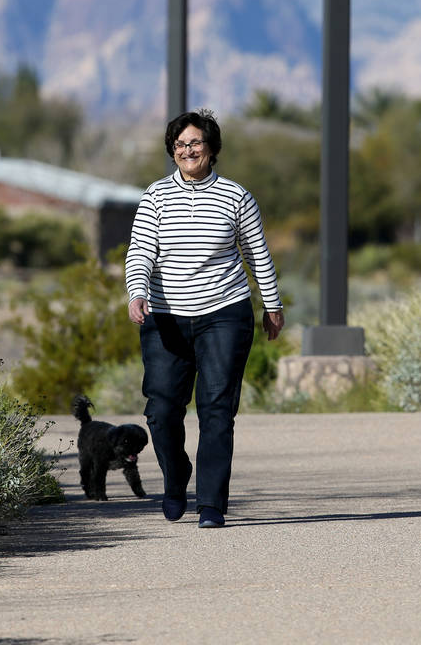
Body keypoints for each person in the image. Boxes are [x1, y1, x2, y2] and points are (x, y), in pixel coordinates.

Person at [125, 109, 284, 529]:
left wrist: (272, 305)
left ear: (211, 148)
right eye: (179, 145)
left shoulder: (235, 196)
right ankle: (176, 479)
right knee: (161, 409)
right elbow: (141, 250)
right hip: (166, 316)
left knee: (216, 409)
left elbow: (256, 253)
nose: (187, 150)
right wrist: (137, 293)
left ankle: (211, 504)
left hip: (224, 314)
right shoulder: (156, 196)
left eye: (194, 143)